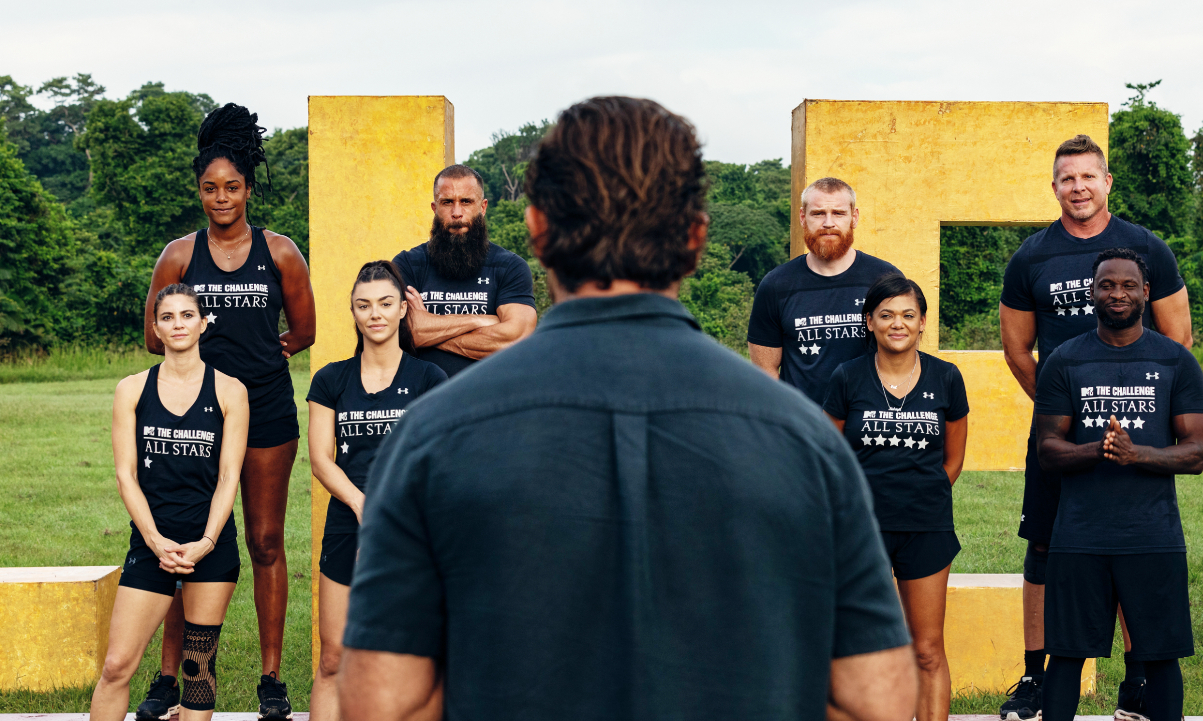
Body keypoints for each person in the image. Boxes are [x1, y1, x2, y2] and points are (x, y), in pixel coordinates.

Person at [337, 96, 917, 721]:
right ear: (696, 238)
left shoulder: (429, 437)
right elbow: (874, 700)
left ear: (537, 230)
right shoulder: (806, 440)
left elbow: (383, 703)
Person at [998, 135, 1192, 721]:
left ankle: (1137, 684)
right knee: (1044, 549)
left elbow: (1178, 340)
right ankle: (1036, 678)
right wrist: (1064, 416)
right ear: (1053, 186)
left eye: (1088, 176)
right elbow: (1016, 348)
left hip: (1139, 436)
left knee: (1136, 551)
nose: (1078, 187)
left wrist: (1148, 419)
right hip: (1059, 441)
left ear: (1108, 182)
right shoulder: (1032, 256)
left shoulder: (1145, 247)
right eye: (1066, 178)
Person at [141, 103, 313, 720]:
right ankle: (169, 679)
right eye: (211, 188)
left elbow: (305, 329)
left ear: (248, 188)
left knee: (266, 541)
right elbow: (153, 335)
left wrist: (261, 358)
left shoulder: (282, 252)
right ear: (199, 190)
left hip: (266, 411)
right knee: (181, 542)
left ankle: (270, 679)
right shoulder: (179, 256)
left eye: (233, 187)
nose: (222, 198)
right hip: (192, 414)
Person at [1034, 248, 1203, 721]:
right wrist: (1098, 449)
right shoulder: (1065, 361)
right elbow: (1047, 450)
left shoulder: (1176, 362)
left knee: (1161, 655)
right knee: (1067, 654)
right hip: (1079, 537)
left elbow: (1195, 454)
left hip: (1152, 537)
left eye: (1128, 285)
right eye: (1107, 284)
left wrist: (1136, 454)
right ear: (1092, 292)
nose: (1118, 293)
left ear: (1146, 293)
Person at [91, 284, 248, 721]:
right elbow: (126, 475)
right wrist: (156, 541)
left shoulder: (230, 391)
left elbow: (228, 477)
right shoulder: (132, 390)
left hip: (210, 546)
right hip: (151, 542)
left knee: (198, 670)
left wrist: (207, 542)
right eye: (167, 318)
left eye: (186, 316)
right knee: (117, 666)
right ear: (156, 329)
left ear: (202, 324)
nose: (178, 324)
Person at [824, 273, 969, 721]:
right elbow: (831, 459)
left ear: (923, 322)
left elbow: (954, 460)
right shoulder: (847, 377)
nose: (897, 323)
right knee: (855, 649)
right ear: (869, 322)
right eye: (886, 315)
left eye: (908, 314)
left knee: (926, 650)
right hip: (861, 530)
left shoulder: (946, 378)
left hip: (925, 527)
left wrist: (919, 495)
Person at [305, 261, 447, 721]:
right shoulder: (330, 380)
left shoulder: (429, 379)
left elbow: (434, 460)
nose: (375, 314)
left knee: (410, 658)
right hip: (350, 518)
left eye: (386, 304)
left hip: (408, 524)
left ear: (404, 309)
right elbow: (322, 459)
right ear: (353, 312)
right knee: (333, 659)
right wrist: (361, 502)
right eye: (364, 306)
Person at [747, 177, 900, 405]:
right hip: (804, 429)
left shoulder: (885, 279)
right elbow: (765, 371)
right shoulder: (776, 285)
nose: (828, 223)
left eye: (838, 213)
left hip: (870, 426)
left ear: (854, 217)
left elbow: (903, 357)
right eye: (818, 214)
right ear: (802, 218)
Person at [392, 164, 537, 378]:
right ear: (434, 208)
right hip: (421, 403)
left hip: (488, 403)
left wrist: (428, 329)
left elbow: (516, 338)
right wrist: (482, 320)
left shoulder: (510, 267)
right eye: (447, 202)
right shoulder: (407, 264)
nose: (456, 213)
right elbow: (402, 332)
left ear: (483, 206)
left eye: (466, 202)